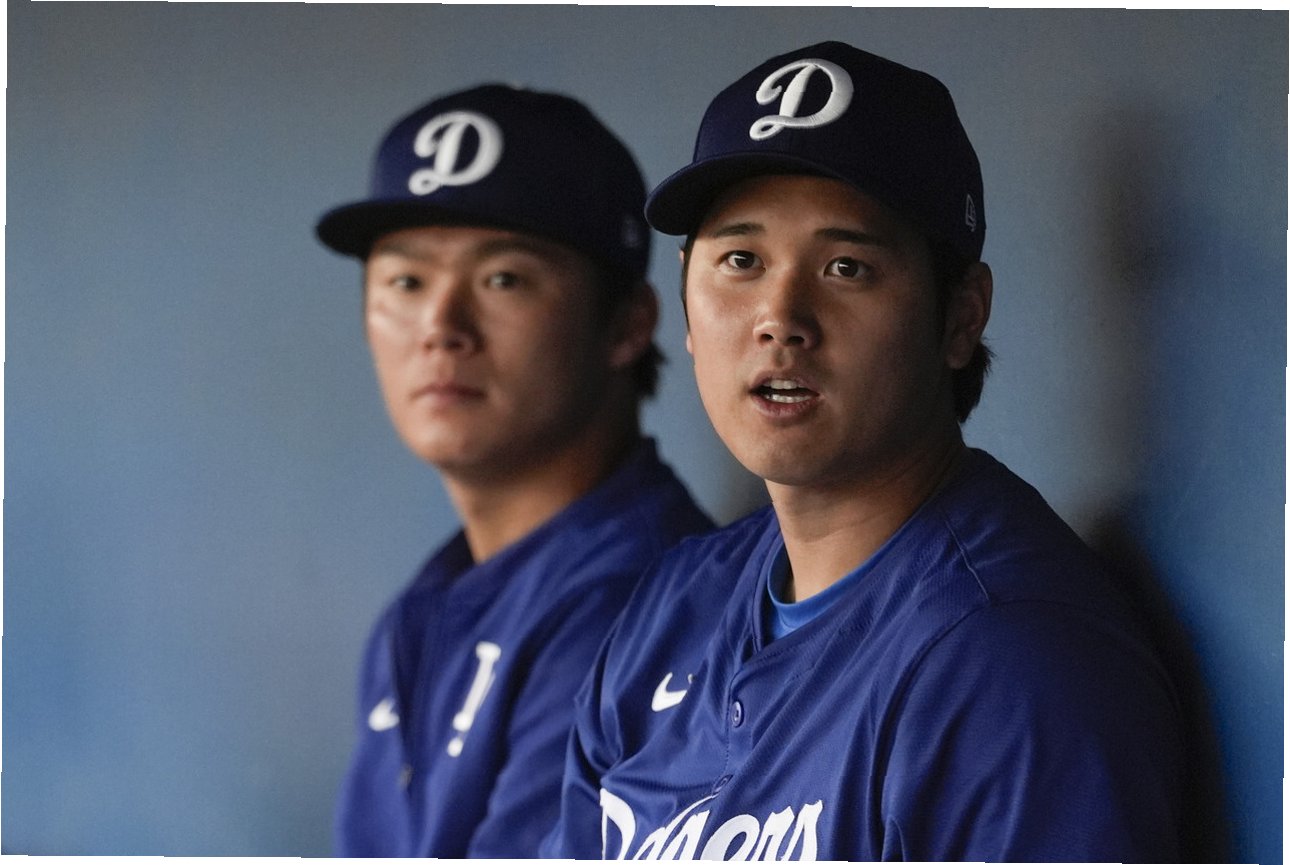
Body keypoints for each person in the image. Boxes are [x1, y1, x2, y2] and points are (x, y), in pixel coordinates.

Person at [542, 41, 1185, 861]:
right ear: (686, 302)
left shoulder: (1013, 665)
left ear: (961, 316)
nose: (781, 318)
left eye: (847, 267)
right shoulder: (675, 604)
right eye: (741, 260)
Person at [314, 83, 712, 857]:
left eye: (504, 278)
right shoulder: (429, 602)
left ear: (629, 322)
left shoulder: (646, 608)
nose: (441, 328)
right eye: (406, 281)